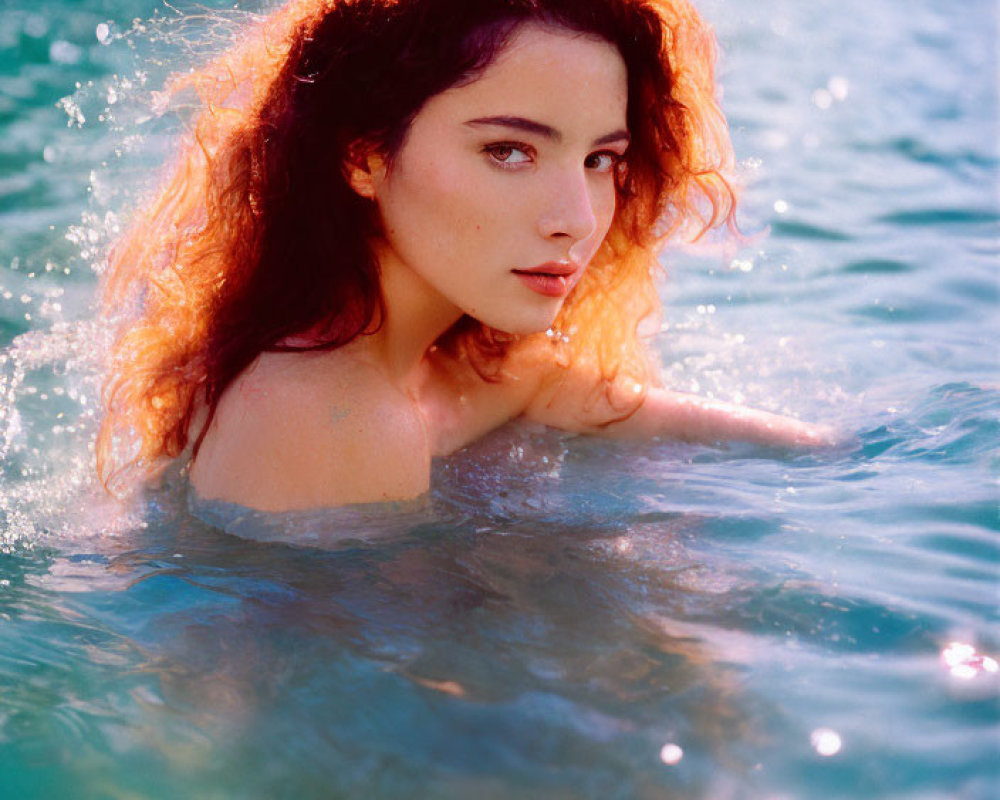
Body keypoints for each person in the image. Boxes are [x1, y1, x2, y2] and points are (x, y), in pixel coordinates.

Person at [97, 0, 829, 512]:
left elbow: (574, 398)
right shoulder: (328, 411)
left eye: (602, 159)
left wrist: (833, 455)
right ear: (365, 155)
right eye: (508, 151)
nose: (576, 219)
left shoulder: (444, 363)